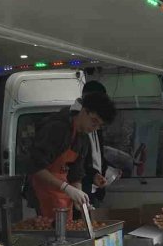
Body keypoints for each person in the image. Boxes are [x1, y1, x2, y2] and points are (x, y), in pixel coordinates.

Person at [27, 91, 117, 219]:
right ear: (84, 111)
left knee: (65, 231)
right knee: (47, 229)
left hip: (62, 194)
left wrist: (78, 195)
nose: (95, 127)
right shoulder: (57, 128)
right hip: (42, 191)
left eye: (99, 125)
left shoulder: (83, 138)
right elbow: (36, 168)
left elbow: (76, 172)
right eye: (94, 121)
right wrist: (67, 188)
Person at [71, 80, 114, 207]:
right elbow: (74, 164)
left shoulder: (95, 123)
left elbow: (95, 154)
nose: (97, 127)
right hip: (77, 188)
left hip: (91, 186)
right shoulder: (72, 123)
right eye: (95, 122)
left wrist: (99, 173)